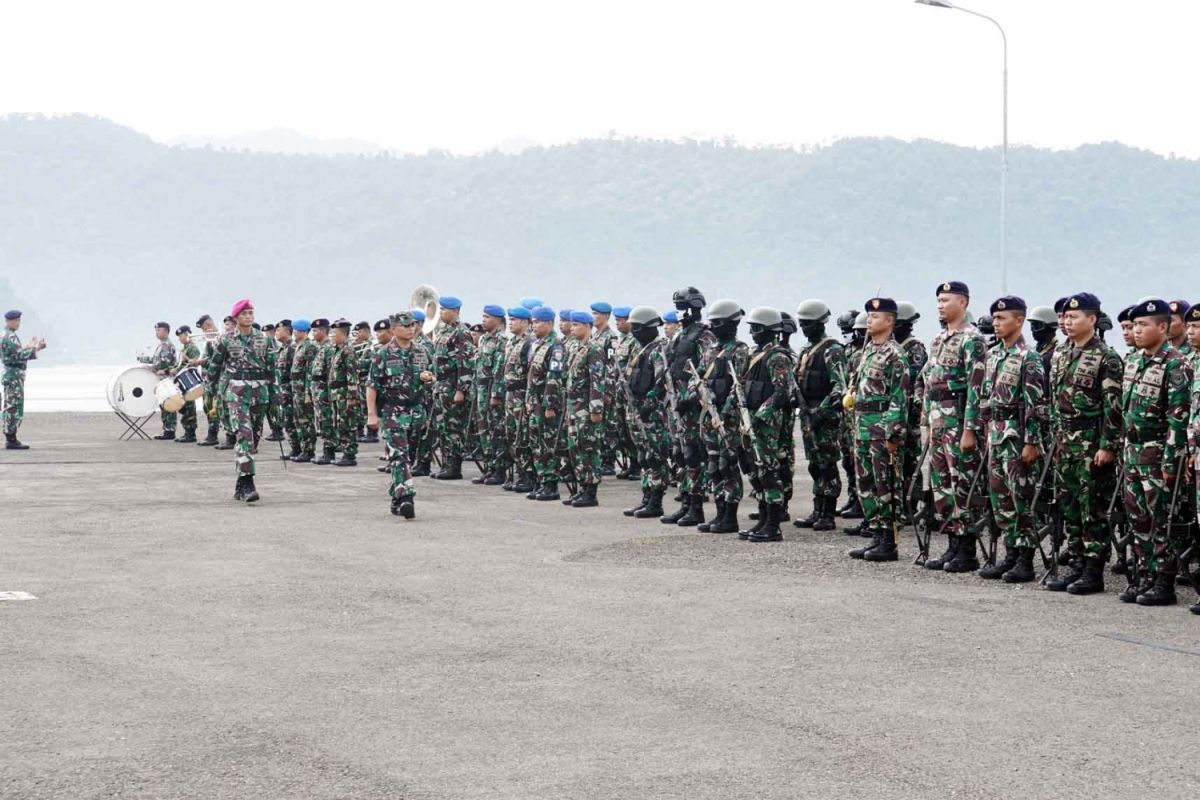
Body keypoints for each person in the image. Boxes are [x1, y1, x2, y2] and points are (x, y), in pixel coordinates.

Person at [1042, 293, 1124, 593]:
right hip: (1064, 442)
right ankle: (1075, 565)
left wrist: (1108, 445)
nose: (1067, 321)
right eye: (1065, 317)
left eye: (1074, 317)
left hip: (1091, 442)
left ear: (1091, 319)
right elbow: (1053, 401)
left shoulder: (1107, 357)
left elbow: (1112, 407)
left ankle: (1093, 571)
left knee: (1093, 508)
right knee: (1070, 506)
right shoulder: (1062, 354)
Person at [1119, 298, 1190, 606]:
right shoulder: (1134, 360)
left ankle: (1164, 580)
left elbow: (1178, 417)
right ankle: (1145, 574)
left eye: (1143, 325)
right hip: (1132, 450)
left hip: (1157, 451)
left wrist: (1171, 460)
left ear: (1163, 327)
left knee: (1160, 517)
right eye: (1135, 325)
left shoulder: (1175, 363)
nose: (1137, 330)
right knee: (1137, 516)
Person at [971, 297, 1046, 582]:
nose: (996, 324)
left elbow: (1034, 405)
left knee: (1021, 499)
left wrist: (1031, 442)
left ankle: (1025, 560)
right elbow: (986, 399)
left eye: (1002, 318)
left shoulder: (1029, 358)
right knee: (1000, 499)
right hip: (996, 435)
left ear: (1019, 320)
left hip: (1017, 437)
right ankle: (1010, 553)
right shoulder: (994, 356)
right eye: (995, 319)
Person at [916, 281, 987, 573]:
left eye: (946, 300)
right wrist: (927, 423)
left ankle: (967, 549)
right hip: (939, 421)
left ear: (963, 302)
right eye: (938, 300)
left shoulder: (972, 339)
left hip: (959, 422)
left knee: (962, 484)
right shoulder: (938, 339)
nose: (940, 305)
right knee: (942, 486)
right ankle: (952, 545)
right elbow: (929, 384)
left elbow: (976, 388)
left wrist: (970, 429)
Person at [845, 298, 910, 562]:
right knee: (866, 485)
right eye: (868, 315)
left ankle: (889, 541)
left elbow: (899, 397)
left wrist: (893, 433)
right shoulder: (868, 351)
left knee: (887, 487)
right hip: (862, 427)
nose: (869, 319)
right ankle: (876, 534)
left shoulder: (895, 354)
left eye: (876, 316)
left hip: (882, 429)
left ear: (890, 321)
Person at [206, 299, 276, 503]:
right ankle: (247, 483)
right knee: (244, 435)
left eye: (251, 312)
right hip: (236, 393)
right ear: (236, 317)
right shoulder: (225, 340)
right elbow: (214, 368)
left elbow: (272, 370)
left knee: (254, 439)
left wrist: (276, 396)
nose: (248, 316)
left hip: (260, 393)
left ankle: (239, 482)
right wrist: (211, 393)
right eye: (244, 313)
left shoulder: (265, 340)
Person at [738, 306, 798, 543]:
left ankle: (773, 525)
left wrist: (760, 415)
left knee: (769, 471)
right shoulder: (756, 354)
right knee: (757, 471)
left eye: (755, 328)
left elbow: (782, 391)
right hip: (752, 420)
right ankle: (763, 519)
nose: (752, 333)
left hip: (767, 423)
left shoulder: (777, 356)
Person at [367, 311, 434, 519]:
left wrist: (429, 378)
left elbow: (432, 376)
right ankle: (406, 497)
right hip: (393, 412)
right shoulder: (383, 354)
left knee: (407, 457)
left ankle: (395, 496)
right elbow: (372, 386)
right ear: (393, 329)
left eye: (413, 325)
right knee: (399, 455)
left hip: (416, 411)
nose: (411, 328)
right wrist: (372, 415)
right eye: (405, 325)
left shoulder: (422, 352)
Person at [662, 287, 717, 527]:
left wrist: (689, 396)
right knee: (679, 455)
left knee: (694, 455)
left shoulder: (705, 337)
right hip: (676, 405)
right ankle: (685, 502)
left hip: (694, 407)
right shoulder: (679, 335)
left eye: (682, 307)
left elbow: (707, 371)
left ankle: (696, 506)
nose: (679, 313)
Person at [695, 300, 750, 534]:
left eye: (717, 323)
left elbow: (739, 385)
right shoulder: (711, 351)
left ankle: (730, 515)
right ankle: (719, 513)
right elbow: (696, 377)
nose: (713, 327)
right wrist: (698, 393)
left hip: (728, 420)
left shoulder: (739, 351)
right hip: (709, 416)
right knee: (713, 466)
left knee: (728, 466)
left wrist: (725, 411)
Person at [791, 300, 847, 532]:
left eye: (809, 323)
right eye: (802, 324)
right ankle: (818, 508)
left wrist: (821, 412)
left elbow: (839, 387)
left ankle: (828, 512)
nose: (805, 328)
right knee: (815, 464)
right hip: (807, 414)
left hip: (826, 418)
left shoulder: (832, 350)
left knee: (827, 464)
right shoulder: (805, 351)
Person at [621, 306, 673, 519]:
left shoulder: (658, 350)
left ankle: (656, 500)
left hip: (653, 414)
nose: (634, 331)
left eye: (637, 327)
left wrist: (650, 403)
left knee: (655, 457)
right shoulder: (639, 349)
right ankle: (646, 496)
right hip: (637, 410)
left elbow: (662, 381)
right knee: (643, 455)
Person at [562, 310, 606, 507]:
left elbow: (597, 380)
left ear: (588, 326)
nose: (573, 328)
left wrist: (596, 409)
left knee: (588, 448)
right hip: (574, 406)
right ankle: (582, 486)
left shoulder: (594, 349)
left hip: (586, 408)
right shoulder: (575, 348)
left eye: (577, 325)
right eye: (572, 325)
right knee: (575, 448)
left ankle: (591, 490)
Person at [430, 295, 475, 480]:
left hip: (452, 387)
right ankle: (446, 463)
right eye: (440, 309)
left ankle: (454, 466)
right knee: (442, 427)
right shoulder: (443, 331)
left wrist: (461, 390)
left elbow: (465, 363)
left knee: (454, 428)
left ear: (455, 311)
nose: (441, 313)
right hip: (441, 386)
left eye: (444, 310)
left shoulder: (461, 333)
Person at [525, 306, 567, 500]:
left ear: (549, 323)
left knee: (548, 444)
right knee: (536, 442)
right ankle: (541, 481)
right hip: (534, 402)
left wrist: (549, 404)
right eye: (532, 322)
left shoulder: (555, 346)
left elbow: (554, 377)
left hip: (545, 403)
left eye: (538, 322)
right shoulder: (537, 344)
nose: (534, 326)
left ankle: (551, 484)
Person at [472, 305, 509, 485]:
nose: (483, 320)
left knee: (496, 431)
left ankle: (499, 469)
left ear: (498, 320)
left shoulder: (501, 341)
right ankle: (489, 467)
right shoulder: (484, 339)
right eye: (483, 316)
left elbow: (499, 370)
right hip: (480, 391)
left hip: (492, 392)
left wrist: (495, 394)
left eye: (487, 317)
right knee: (483, 430)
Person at [501, 306, 536, 493]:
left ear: (524, 322)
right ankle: (519, 472)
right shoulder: (511, 342)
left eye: (514, 320)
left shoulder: (529, 342)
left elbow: (531, 372)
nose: (511, 323)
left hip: (521, 394)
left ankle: (527, 475)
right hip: (510, 395)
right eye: (510, 319)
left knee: (523, 436)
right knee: (512, 435)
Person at [894, 301, 928, 490]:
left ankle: (912, 502)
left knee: (909, 460)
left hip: (908, 414)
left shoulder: (914, 348)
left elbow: (916, 381)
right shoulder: (894, 347)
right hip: (895, 413)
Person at [1, 310, 45, 449]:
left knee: (9, 404)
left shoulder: (4, 334)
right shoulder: (10, 336)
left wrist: (29, 346)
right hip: (13, 375)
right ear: (10, 321)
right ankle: (11, 438)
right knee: (14, 405)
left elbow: (13, 354)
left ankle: (10, 436)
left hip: (9, 373)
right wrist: (36, 348)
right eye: (17, 320)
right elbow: (19, 355)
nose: (18, 323)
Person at [590, 301, 620, 476]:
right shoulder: (594, 336)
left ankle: (608, 460)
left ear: (606, 316)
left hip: (605, 385)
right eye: (592, 313)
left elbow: (612, 365)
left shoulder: (611, 337)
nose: (594, 317)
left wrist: (608, 389)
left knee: (608, 423)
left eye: (597, 314)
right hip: (595, 385)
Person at [327, 319, 361, 467]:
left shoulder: (348, 350)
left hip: (345, 393)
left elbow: (352, 375)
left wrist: (351, 397)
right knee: (340, 424)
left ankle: (350, 454)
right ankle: (346, 451)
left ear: (342, 334)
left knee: (348, 423)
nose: (332, 336)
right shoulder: (338, 349)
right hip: (337, 392)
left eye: (335, 333)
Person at [613, 306, 641, 480]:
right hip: (619, 391)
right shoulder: (621, 341)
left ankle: (637, 465)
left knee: (632, 430)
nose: (617, 323)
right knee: (622, 429)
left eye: (620, 320)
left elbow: (633, 368)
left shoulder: (634, 342)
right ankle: (631, 462)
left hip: (629, 391)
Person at [138, 322, 178, 440]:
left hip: (165, 379)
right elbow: (156, 359)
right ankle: (166, 429)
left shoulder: (167, 346)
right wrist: (143, 359)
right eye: (156, 330)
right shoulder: (161, 345)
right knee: (163, 405)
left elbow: (162, 364)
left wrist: (149, 368)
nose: (156, 332)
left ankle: (170, 430)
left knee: (168, 405)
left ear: (166, 331)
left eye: (159, 330)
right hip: (161, 380)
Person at [287, 320, 318, 462]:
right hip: (296, 389)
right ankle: (301, 448)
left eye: (296, 331)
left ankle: (309, 450)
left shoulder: (309, 347)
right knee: (298, 420)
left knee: (306, 420)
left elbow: (309, 372)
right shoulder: (299, 347)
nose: (294, 333)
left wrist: (308, 392)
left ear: (303, 331)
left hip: (303, 390)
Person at [192, 314, 223, 447]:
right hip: (208, 380)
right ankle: (212, 434)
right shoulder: (210, 340)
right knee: (208, 407)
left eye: (205, 328)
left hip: (215, 381)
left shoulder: (218, 339)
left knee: (214, 408)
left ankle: (213, 435)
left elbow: (217, 360)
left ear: (209, 325)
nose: (205, 331)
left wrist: (199, 362)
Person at [308, 319, 336, 464]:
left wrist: (329, 392)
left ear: (324, 331)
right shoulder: (319, 348)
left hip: (324, 391)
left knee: (326, 421)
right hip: (317, 390)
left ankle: (329, 451)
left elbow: (331, 373)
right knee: (321, 420)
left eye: (316, 330)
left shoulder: (329, 348)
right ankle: (326, 449)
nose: (313, 333)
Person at [273, 320, 300, 459]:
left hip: (290, 389)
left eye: (279, 330)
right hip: (282, 389)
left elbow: (294, 372)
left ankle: (299, 448)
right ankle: (295, 448)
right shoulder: (282, 349)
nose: (276, 333)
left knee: (292, 420)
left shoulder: (292, 348)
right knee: (287, 420)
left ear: (288, 332)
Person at [173, 326, 201, 443]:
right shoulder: (184, 348)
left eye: (182, 335)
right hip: (183, 379)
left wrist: (178, 368)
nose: (181, 338)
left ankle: (191, 432)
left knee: (189, 406)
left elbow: (192, 362)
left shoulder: (192, 348)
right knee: (184, 406)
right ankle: (187, 431)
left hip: (189, 379)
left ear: (188, 334)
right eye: (179, 336)